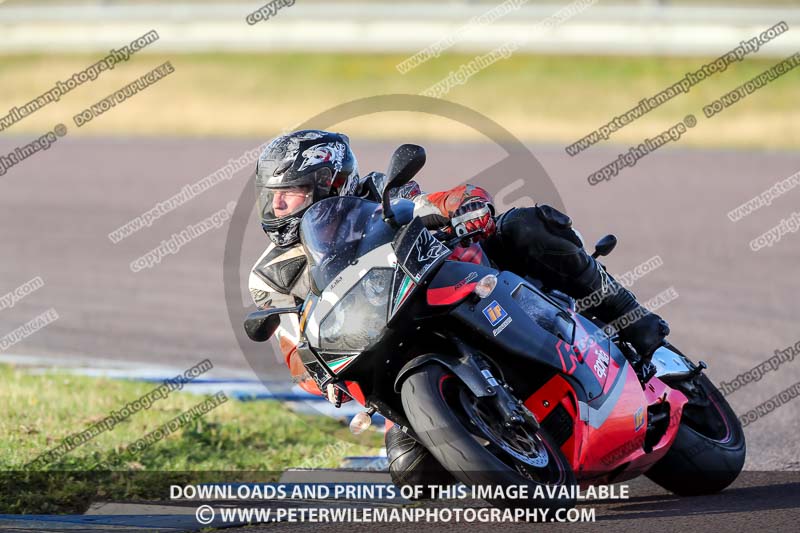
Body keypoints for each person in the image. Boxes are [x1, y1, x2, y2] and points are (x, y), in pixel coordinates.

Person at [248, 129, 669, 489]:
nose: (278, 208)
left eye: (290, 195)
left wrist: (463, 207)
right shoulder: (269, 275)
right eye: (273, 198)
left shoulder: (378, 192)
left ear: (330, 183)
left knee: (523, 226)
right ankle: (494, 435)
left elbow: (430, 202)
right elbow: (293, 342)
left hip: (456, 284)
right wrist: (316, 373)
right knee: (412, 478)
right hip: (384, 344)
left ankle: (628, 316)